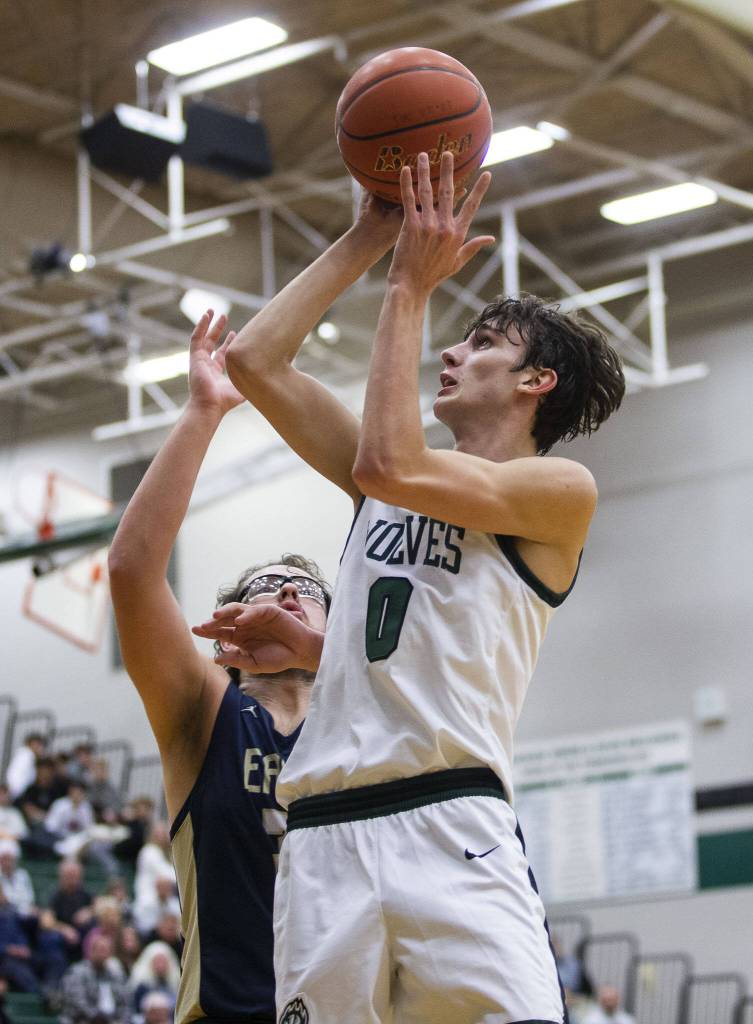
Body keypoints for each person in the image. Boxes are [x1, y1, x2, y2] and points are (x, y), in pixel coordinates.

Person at [219, 152, 625, 1022]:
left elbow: (388, 461)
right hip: (324, 837)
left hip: (451, 826)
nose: (452, 349)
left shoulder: (558, 492)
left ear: (534, 382)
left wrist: (408, 286)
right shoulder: (385, 485)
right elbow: (253, 359)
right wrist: (368, 236)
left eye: (482, 342)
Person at [107, 312, 329, 1024]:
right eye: (265, 589)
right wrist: (204, 409)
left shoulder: (365, 717)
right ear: (227, 637)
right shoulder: (206, 714)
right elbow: (132, 571)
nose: (287, 593)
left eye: (307, 594)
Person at [59, 932, 129, 1024]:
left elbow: (124, 1004)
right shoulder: (78, 972)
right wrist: (96, 1017)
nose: (103, 953)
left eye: (106, 950)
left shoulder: (116, 975)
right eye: (100, 949)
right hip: (82, 1019)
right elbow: (77, 1001)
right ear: (92, 951)